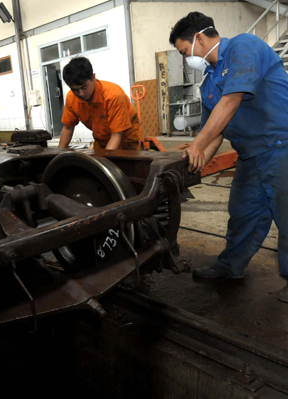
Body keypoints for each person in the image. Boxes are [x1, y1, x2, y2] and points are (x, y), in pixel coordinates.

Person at [169, 12, 288, 302]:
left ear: (198, 38)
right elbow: (215, 134)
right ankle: (230, 267)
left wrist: (197, 143)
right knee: (242, 213)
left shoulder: (243, 46)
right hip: (249, 155)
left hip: (281, 147)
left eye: (184, 52)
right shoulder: (208, 82)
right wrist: (190, 164)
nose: (187, 59)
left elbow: (232, 99)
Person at [58, 57, 141, 150]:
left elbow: (116, 135)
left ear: (93, 77)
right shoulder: (71, 98)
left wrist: (106, 160)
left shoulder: (113, 95)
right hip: (102, 139)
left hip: (125, 138)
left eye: (84, 87)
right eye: (75, 90)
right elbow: (68, 128)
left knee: (125, 162)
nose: (81, 93)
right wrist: (57, 155)